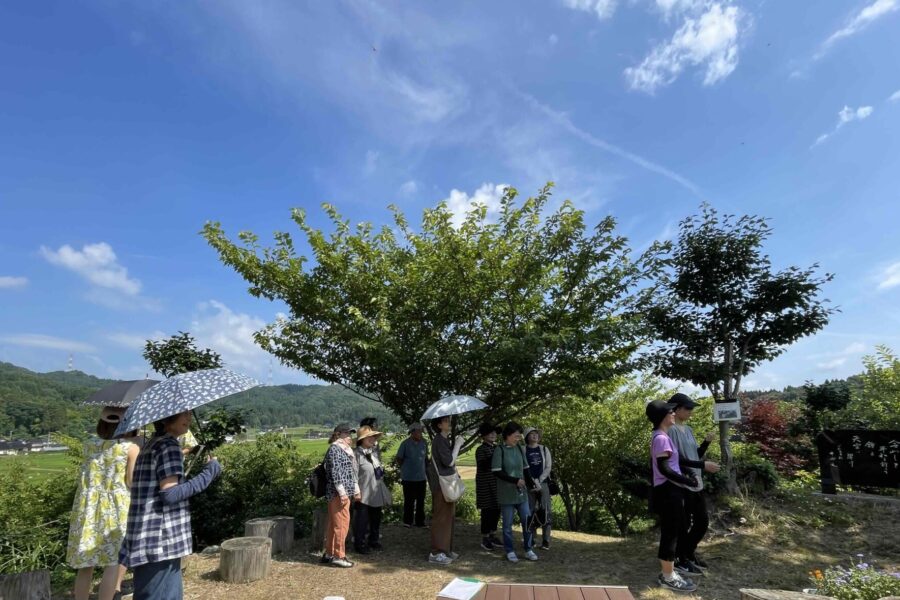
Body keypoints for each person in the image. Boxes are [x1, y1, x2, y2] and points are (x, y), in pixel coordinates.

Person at [120, 410, 222, 600]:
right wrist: (210, 473)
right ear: (167, 419)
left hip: (147, 536)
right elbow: (170, 494)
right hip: (161, 539)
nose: (189, 417)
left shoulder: (152, 444)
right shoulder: (168, 446)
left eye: (190, 413)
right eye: (184, 414)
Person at [67, 406, 141, 600]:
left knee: (85, 565)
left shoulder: (88, 444)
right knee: (113, 562)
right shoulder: (130, 448)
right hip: (117, 508)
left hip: (87, 506)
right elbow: (132, 482)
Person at [646, 400, 699, 593]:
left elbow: (674, 464)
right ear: (662, 416)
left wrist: (688, 475)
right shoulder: (661, 438)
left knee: (673, 532)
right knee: (670, 534)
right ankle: (667, 577)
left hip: (672, 490)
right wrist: (687, 481)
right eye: (670, 412)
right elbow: (664, 468)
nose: (674, 414)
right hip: (668, 491)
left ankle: (669, 572)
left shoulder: (663, 436)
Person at [668, 393, 720, 576]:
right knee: (683, 525)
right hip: (682, 483)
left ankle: (686, 553)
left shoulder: (688, 430)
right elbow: (677, 460)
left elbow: (695, 456)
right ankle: (682, 558)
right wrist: (703, 466)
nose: (691, 411)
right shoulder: (671, 430)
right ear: (677, 408)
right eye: (688, 408)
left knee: (702, 522)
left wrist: (706, 442)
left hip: (696, 482)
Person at [492, 421, 539, 563]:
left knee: (527, 521)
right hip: (506, 494)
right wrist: (515, 481)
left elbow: (526, 469)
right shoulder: (499, 450)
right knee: (507, 525)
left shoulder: (519, 448)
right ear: (507, 435)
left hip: (521, 493)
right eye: (516, 436)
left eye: (519, 436)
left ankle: (528, 549)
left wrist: (533, 484)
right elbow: (497, 472)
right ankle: (510, 550)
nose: (518, 439)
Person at [425, 415, 464, 565]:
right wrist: (458, 445)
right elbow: (448, 461)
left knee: (448, 516)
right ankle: (437, 552)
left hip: (445, 484)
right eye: (446, 421)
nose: (449, 423)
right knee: (442, 517)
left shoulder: (442, 440)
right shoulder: (439, 440)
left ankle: (445, 549)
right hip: (441, 485)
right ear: (439, 425)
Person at [321, 423, 359, 568]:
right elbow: (336, 473)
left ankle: (330, 553)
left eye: (350, 434)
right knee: (341, 525)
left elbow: (349, 473)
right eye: (347, 434)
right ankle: (339, 555)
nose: (350, 437)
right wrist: (343, 493)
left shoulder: (343, 449)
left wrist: (354, 489)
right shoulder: (336, 449)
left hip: (340, 493)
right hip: (338, 493)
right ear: (338, 434)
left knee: (334, 524)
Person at [353, 426, 392, 554]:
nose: (372, 439)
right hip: (363, 492)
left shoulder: (374, 453)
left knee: (376, 518)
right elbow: (353, 474)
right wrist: (356, 491)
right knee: (362, 521)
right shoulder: (356, 454)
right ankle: (360, 544)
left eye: (373, 436)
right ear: (361, 440)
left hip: (375, 490)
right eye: (369, 437)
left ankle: (373, 541)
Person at [523, 427, 553, 550]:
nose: (534, 436)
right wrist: (531, 481)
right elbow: (522, 467)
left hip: (543, 483)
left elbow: (548, 467)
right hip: (528, 484)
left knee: (546, 510)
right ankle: (531, 539)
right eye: (531, 434)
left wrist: (539, 480)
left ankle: (546, 540)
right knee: (529, 511)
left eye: (536, 434)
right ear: (527, 437)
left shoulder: (544, 449)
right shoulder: (523, 450)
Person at [395, 422, 428, 528]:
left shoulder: (424, 443)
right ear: (412, 432)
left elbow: (425, 458)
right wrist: (406, 468)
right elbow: (399, 458)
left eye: (421, 432)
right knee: (409, 500)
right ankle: (407, 521)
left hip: (421, 477)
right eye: (418, 431)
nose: (420, 434)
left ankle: (420, 522)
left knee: (421, 501)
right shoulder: (405, 443)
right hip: (408, 477)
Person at [475, 423, 501, 550]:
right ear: (484, 436)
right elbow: (484, 465)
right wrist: (496, 455)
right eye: (490, 433)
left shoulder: (496, 448)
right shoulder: (481, 449)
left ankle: (493, 534)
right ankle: (485, 537)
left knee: (496, 509)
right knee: (487, 511)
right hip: (485, 484)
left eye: (494, 433)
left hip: (497, 484)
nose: (493, 435)